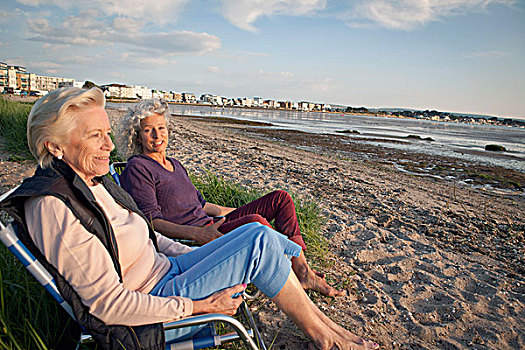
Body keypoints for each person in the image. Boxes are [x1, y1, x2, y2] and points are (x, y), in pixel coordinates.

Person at [0, 87, 378, 350]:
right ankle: (327, 337)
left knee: (257, 235)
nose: (110, 144)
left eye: (107, 133)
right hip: (155, 305)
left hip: (169, 270)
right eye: (95, 135)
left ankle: (325, 326)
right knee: (259, 239)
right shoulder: (53, 207)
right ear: (54, 146)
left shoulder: (90, 183)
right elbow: (108, 307)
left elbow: (145, 233)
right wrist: (200, 307)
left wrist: (195, 251)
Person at [119, 99, 343, 297]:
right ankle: (296, 273)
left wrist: (237, 212)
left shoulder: (174, 165)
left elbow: (203, 205)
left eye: (161, 127)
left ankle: (301, 267)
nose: (158, 135)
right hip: (201, 235)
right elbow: (150, 222)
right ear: (137, 135)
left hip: (212, 223)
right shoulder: (138, 167)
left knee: (280, 199)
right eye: (149, 130)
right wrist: (198, 234)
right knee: (256, 222)